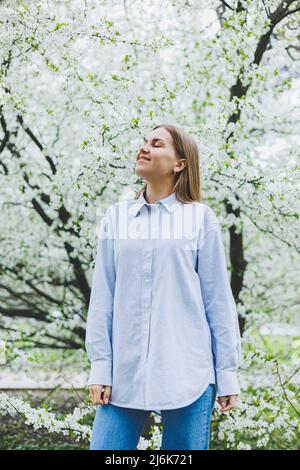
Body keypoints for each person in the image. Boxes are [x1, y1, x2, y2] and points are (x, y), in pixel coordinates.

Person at [85, 123, 242, 450]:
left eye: (156, 144)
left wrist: (227, 374)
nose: (144, 148)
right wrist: (100, 366)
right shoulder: (116, 218)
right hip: (121, 375)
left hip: (188, 372)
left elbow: (218, 303)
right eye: (144, 142)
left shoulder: (200, 219)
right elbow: (103, 298)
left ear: (180, 163)